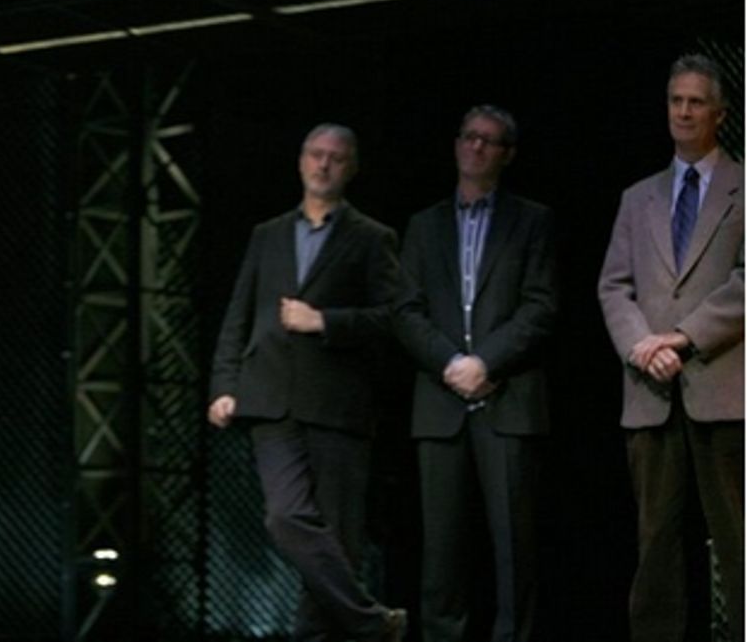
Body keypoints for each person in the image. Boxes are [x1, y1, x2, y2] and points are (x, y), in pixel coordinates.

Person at [208, 123, 407, 642]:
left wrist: (326, 322)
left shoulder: (371, 237)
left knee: (335, 541)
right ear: (300, 161)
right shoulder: (267, 235)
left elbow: (393, 317)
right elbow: (239, 315)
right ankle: (370, 622)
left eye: (336, 158)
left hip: (337, 405)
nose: (323, 165)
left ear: (351, 168)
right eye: (315, 155)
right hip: (269, 399)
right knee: (286, 518)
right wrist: (223, 385)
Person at [393, 105, 556, 642]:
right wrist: (450, 364)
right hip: (440, 406)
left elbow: (540, 307)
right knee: (440, 555)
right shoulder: (423, 225)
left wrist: (485, 361)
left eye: (489, 141)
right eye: (469, 137)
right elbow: (405, 310)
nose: (476, 148)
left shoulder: (532, 220)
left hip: (506, 400)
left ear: (506, 154)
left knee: (514, 553)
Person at [597, 54, 743, 642]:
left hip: (725, 389)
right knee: (655, 541)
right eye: (675, 100)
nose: (683, 111)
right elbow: (613, 285)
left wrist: (682, 339)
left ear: (720, 114)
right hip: (651, 391)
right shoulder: (638, 198)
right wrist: (641, 349)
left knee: (736, 537)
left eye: (696, 101)